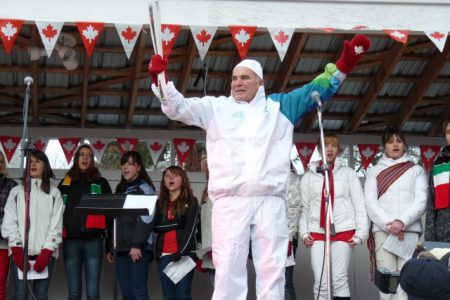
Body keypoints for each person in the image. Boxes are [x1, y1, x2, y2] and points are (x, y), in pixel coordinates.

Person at [149, 34, 371, 299]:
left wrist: (344, 64)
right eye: (234, 78)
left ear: (260, 82)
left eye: (245, 77)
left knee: (272, 270)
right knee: (228, 270)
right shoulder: (215, 108)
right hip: (230, 202)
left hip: (269, 201)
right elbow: (178, 107)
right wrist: (161, 81)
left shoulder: (279, 106)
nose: (238, 83)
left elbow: (317, 88)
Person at [299, 134, 368, 300]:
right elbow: (304, 208)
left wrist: (361, 234)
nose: (329, 149)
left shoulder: (349, 174)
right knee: (320, 281)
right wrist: (303, 233)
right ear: (319, 150)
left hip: (343, 229)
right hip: (317, 230)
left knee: (339, 279)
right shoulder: (309, 177)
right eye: (325, 145)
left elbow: (359, 204)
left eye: (333, 145)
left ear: (339, 150)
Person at [364, 129, 428, 300]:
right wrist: (389, 223)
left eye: (399, 141)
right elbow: (370, 203)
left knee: (408, 280)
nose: (395, 145)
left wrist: (401, 221)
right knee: (387, 283)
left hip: (409, 233)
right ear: (384, 146)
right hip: (383, 233)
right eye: (390, 141)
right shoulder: (374, 171)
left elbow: (421, 201)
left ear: (404, 144)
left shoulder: (416, 170)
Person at [1, 149, 64, 300]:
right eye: (30, 162)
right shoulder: (16, 192)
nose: (33, 164)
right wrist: (16, 250)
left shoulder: (54, 194)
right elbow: (9, 222)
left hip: (45, 255)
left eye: (37, 161)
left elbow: (56, 226)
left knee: (40, 295)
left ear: (45, 166)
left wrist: (46, 252)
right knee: (20, 295)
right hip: (20, 254)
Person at [58, 144, 112, 300]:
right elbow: (55, 213)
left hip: (94, 242)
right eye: (82, 154)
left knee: (93, 293)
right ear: (76, 158)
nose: (85, 158)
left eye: (88, 155)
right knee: (74, 292)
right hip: (71, 242)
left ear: (92, 160)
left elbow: (109, 216)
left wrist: (108, 245)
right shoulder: (65, 183)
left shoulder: (101, 183)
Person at [106, 151, 156, 300]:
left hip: (137, 249)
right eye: (123, 164)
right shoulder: (121, 190)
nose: (125, 167)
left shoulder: (145, 188)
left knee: (138, 293)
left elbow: (148, 218)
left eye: (130, 164)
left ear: (138, 167)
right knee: (127, 294)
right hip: (121, 250)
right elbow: (115, 220)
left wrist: (137, 245)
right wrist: (111, 247)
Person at [153, 166, 199, 300]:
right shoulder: (160, 203)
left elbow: (190, 230)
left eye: (175, 175)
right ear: (164, 181)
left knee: (183, 296)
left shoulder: (191, 201)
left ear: (183, 180)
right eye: (167, 176)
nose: (170, 178)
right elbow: (155, 227)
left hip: (183, 256)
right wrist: (178, 223)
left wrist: (181, 252)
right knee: (168, 296)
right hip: (164, 256)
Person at [425, 120, 450, 242]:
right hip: (444, 235)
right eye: (449, 132)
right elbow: (431, 204)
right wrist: (430, 240)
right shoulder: (437, 165)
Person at [0, 151, 17, 300]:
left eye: (0, 162)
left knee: (0, 284)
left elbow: (16, 216)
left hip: (3, 242)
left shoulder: (12, 186)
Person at [284, 162, 301, 300]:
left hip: (286, 237)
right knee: (267, 280)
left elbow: (294, 208)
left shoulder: (291, 178)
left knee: (285, 281)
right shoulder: (265, 177)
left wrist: (289, 237)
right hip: (265, 236)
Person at [197, 168, 215, 288]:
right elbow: (202, 229)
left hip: (226, 254)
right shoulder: (204, 200)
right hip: (210, 254)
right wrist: (200, 253)